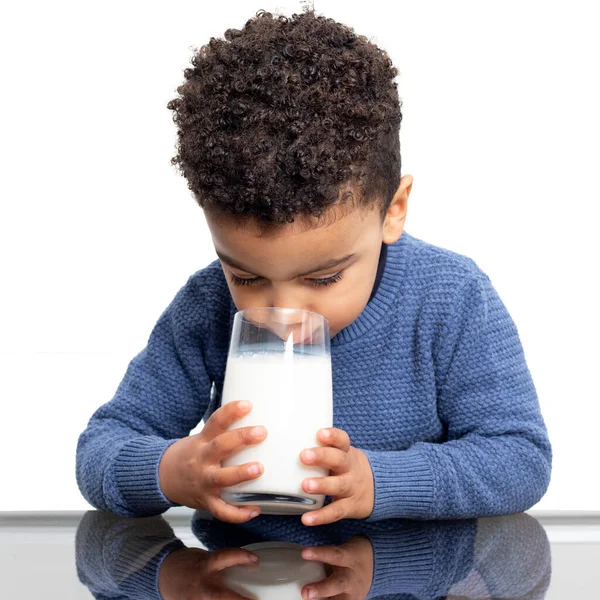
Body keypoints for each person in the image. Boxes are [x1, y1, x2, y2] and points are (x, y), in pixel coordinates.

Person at [76, 7, 552, 526]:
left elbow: (521, 457)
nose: (282, 308)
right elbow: (101, 448)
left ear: (392, 209)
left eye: (324, 278)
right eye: (246, 277)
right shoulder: (206, 306)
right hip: (239, 573)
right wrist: (171, 470)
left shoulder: (452, 297)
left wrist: (381, 481)